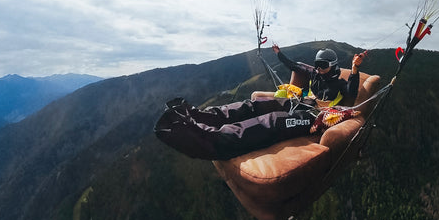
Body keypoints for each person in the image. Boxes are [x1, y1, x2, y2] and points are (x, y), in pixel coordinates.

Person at [154, 47, 367, 161]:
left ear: (333, 65)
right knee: (255, 105)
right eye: (317, 64)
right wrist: (278, 53)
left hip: (312, 117)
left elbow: (351, 92)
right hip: (299, 103)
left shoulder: (340, 84)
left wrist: (355, 69)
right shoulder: (314, 73)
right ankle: (201, 116)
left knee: (272, 121)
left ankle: (212, 138)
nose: (319, 69)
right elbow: (293, 65)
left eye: (323, 65)